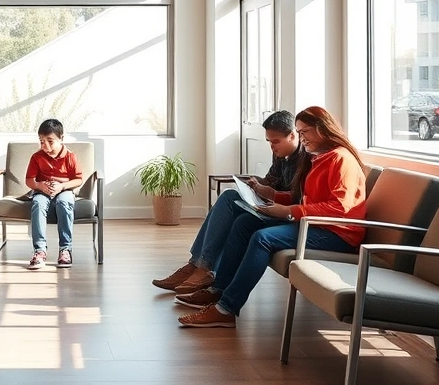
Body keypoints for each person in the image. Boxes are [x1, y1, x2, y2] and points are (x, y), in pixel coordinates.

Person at [176, 106, 367, 328]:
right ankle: (218, 290)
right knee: (245, 223)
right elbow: (307, 200)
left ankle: (226, 308)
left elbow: (340, 208)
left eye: (304, 132)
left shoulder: (340, 159)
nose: (301, 138)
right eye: (299, 132)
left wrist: (288, 212)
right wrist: (275, 198)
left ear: (321, 129)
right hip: (315, 225)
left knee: (262, 238)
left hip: (338, 234)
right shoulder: (319, 158)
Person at [153, 110, 305, 294]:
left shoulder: (306, 159)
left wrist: (270, 193)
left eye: (275, 142)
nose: (272, 147)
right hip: (271, 205)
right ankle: (196, 265)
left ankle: (202, 268)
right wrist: (257, 184)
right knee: (229, 196)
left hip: (285, 214)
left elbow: (298, 198)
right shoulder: (281, 154)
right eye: (269, 142)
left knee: (231, 205)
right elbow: (272, 179)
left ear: (292, 135)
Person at [24, 119, 84, 270]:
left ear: (61, 138)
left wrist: (62, 186)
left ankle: (65, 249)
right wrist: (39, 186)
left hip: (64, 191)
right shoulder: (36, 157)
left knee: (64, 202)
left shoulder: (70, 157)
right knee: (38, 203)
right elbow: (29, 180)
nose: (46, 146)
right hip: (42, 192)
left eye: (50, 141)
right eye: (42, 141)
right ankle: (40, 251)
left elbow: (78, 179)